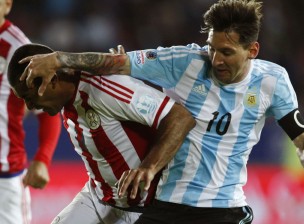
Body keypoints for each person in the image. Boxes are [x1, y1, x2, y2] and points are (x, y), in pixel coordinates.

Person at [18, 0, 304, 223]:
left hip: (226, 207)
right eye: (211, 48)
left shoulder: (274, 81)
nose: (216, 60)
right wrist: (61, 58)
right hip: (169, 205)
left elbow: (302, 139)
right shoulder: (186, 61)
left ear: (252, 50)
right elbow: (116, 62)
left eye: (226, 52)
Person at [8, 43, 195, 224]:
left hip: (143, 207)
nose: (30, 107)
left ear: (53, 80)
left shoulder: (103, 88)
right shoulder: (67, 99)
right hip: (99, 198)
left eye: (29, 97)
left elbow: (180, 118)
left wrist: (148, 167)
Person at [0, 1, 61, 223]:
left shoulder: (18, 49)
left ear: (7, 5)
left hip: (4, 178)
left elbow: (48, 109)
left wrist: (43, 159)